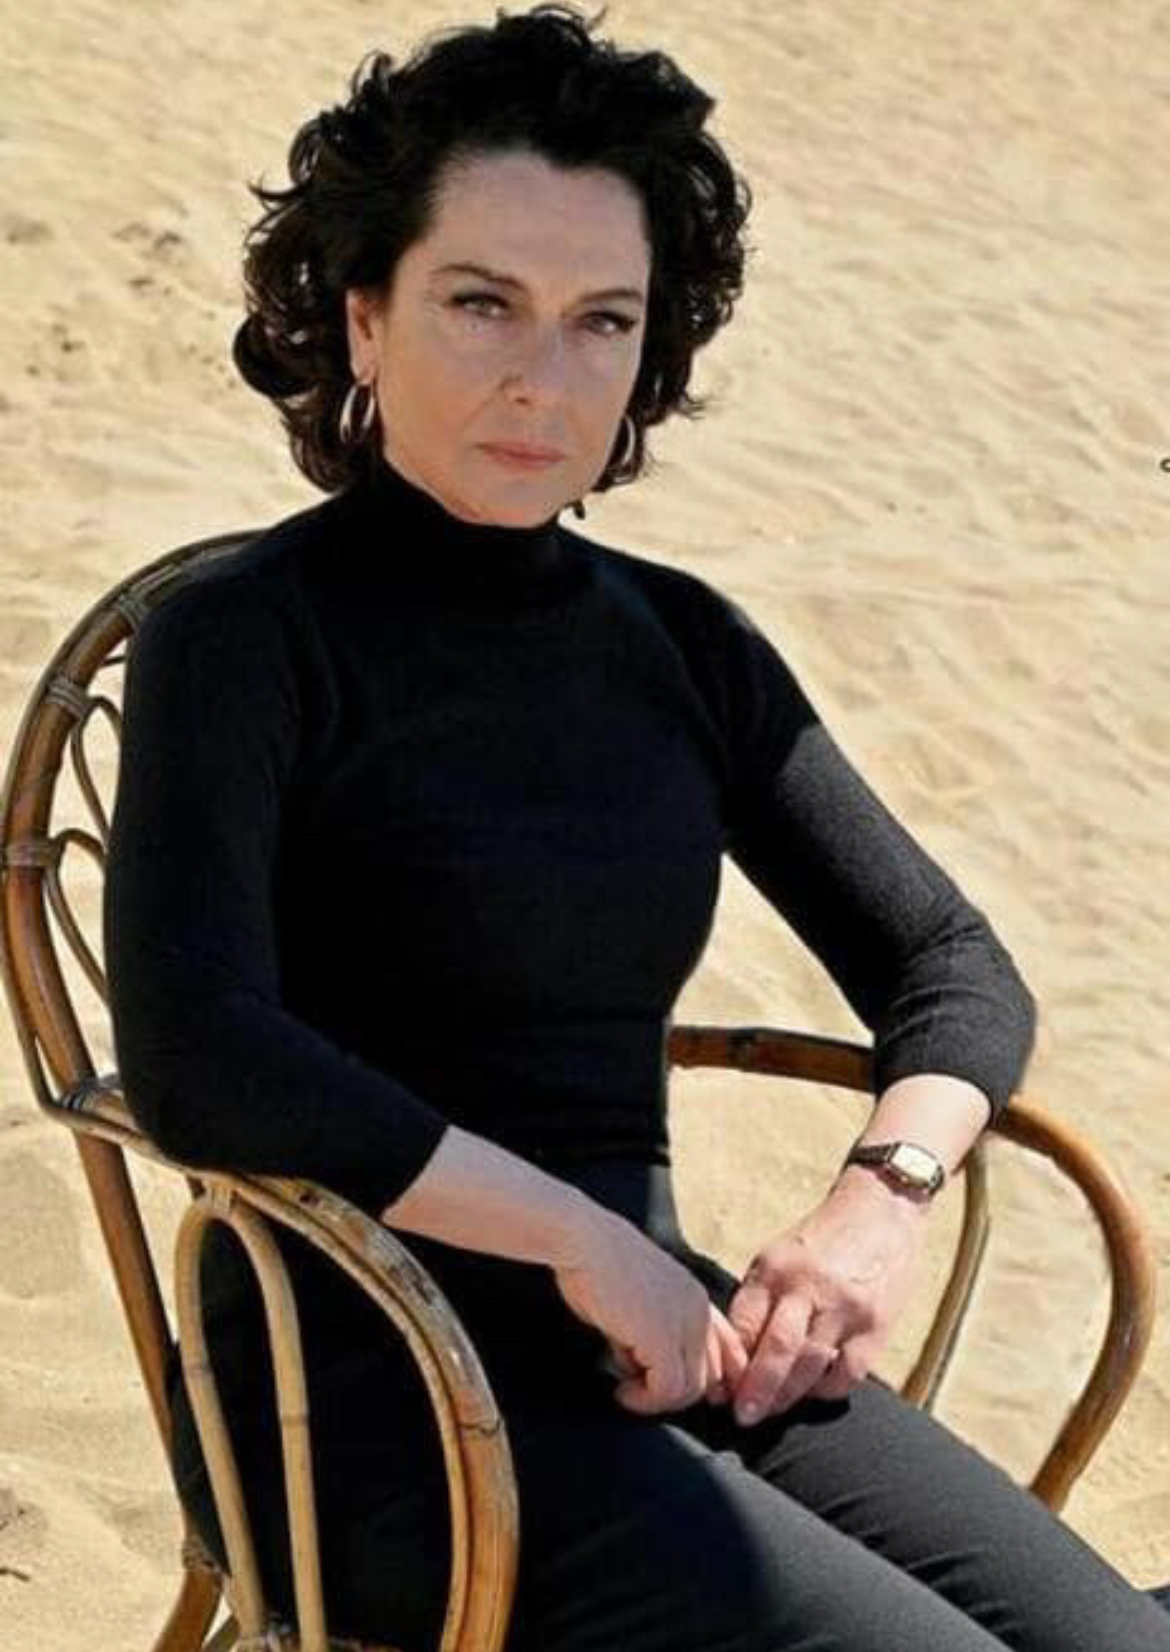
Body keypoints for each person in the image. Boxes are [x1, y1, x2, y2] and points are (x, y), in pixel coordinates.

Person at [103, 6, 1170, 1649]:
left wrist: (876, 1200)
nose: (542, 379)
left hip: (670, 1344)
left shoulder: (679, 644)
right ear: (363, 316)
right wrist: (578, 1237)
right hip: (360, 1411)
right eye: (480, 303)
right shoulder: (241, 636)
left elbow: (946, 961)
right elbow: (200, 1052)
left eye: (602, 320)